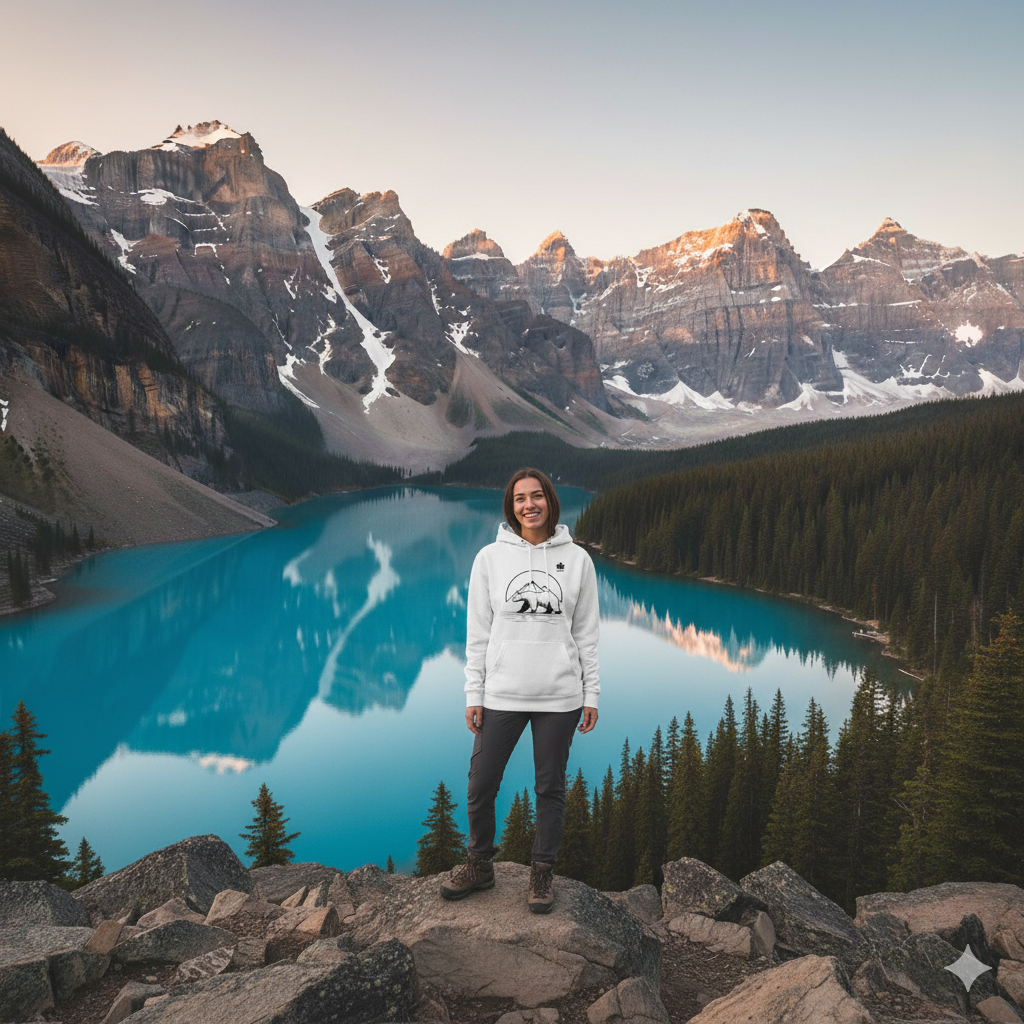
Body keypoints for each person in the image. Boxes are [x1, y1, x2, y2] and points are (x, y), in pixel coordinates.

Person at [440, 467, 600, 912]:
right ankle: (480, 864)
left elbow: (586, 634)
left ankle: (542, 872)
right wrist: (474, 693)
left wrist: (592, 695)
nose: (529, 505)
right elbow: (478, 633)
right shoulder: (490, 559)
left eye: (536, 496)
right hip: (502, 694)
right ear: (510, 508)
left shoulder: (579, 560)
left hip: (560, 697)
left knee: (550, 787)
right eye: (519, 500)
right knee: (481, 784)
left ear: (550, 500)